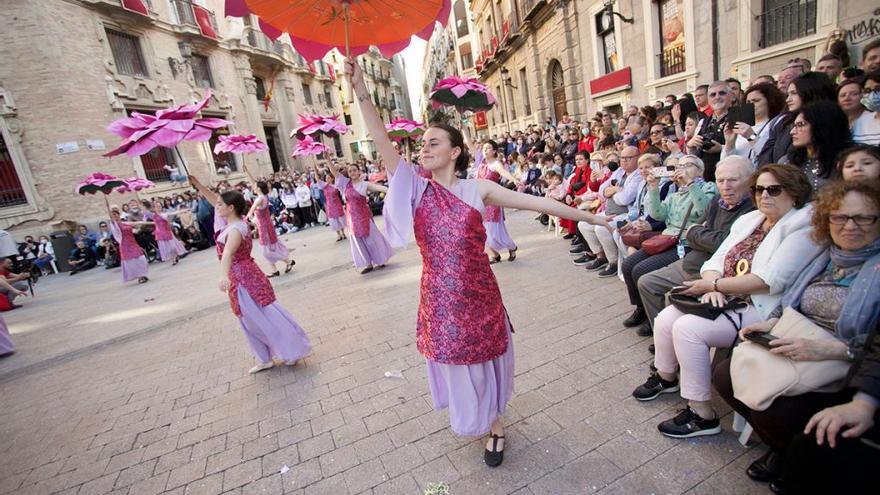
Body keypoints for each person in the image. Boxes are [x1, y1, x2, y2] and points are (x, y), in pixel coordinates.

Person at [347, 58, 611, 468]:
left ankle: (495, 424)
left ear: (455, 151)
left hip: (480, 290)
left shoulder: (478, 189)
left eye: (433, 142)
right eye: (423, 143)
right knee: (456, 358)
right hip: (439, 294)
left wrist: (589, 216)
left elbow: (536, 201)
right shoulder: (416, 190)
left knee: (486, 355)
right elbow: (382, 142)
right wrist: (361, 90)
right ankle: (478, 414)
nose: (424, 148)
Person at [632, 164, 822, 438]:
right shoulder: (751, 219)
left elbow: (769, 280)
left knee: (687, 329)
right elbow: (716, 258)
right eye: (759, 189)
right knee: (665, 318)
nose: (764, 195)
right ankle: (666, 377)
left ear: (794, 193)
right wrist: (714, 285)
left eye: (773, 189)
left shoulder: (802, 224)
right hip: (724, 294)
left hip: (761, 307)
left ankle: (702, 414)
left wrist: (715, 284)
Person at [713, 179, 880, 490]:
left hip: (847, 361)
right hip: (797, 342)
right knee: (724, 375)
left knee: (777, 411)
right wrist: (772, 322)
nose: (850, 226)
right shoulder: (828, 255)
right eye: (839, 217)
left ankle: (791, 454)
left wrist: (826, 349)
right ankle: (782, 447)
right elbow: (794, 296)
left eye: (864, 218)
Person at [637, 156, 755, 337]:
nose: (725, 186)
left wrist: (699, 233)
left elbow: (726, 244)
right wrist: (653, 188)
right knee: (645, 280)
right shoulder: (714, 199)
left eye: (732, 180)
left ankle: (673, 338)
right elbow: (663, 217)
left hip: (711, 269)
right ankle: (660, 334)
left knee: (668, 296)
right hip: (688, 254)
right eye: (721, 180)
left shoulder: (748, 207)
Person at [215, 190, 312, 374]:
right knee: (250, 319)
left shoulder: (236, 229)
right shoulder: (236, 224)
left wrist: (223, 275)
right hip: (242, 278)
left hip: (244, 279)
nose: (216, 206)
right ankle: (264, 358)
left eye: (220, 204)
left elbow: (227, 253)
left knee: (263, 316)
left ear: (231, 207)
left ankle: (291, 350)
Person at [620, 154, 717, 334]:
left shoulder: (708, 188)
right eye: (679, 166)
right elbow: (658, 214)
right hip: (667, 240)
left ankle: (656, 321)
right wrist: (654, 188)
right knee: (628, 264)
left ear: (701, 170)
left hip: (688, 243)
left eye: (688, 165)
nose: (682, 169)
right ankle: (642, 308)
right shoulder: (675, 193)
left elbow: (705, 211)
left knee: (641, 270)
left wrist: (690, 184)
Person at [781, 317, 880, 493]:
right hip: (802, 329)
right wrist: (866, 402)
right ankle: (779, 451)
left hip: (841, 348)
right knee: (812, 443)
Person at [579, 146, 645, 277]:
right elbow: (601, 191)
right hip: (609, 211)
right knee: (583, 224)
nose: (624, 161)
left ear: (637, 159)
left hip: (626, 214)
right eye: (622, 158)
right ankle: (600, 256)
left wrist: (611, 191)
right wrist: (615, 190)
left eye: (628, 158)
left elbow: (625, 199)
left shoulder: (638, 175)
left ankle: (613, 262)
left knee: (601, 228)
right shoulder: (620, 171)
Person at [326, 161, 394, 274]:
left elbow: (379, 188)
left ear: (359, 172)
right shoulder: (345, 184)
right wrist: (328, 159)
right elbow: (335, 173)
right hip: (352, 218)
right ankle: (367, 264)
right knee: (358, 241)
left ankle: (380, 260)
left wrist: (391, 190)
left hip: (364, 216)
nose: (352, 172)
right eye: (350, 171)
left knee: (373, 239)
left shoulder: (364, 184)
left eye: (354, 170)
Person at [758, 71, 835, 166]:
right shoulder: (782, 122)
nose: (788, 100)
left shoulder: (831, 121)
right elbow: (765, 155)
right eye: (788, 94)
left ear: (810, 92)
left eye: (794, 93)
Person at [786, 101, 853, 191]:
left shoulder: (849, 161)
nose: (792, 132)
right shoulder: (788, 161)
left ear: (822, 125)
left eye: (800, 125)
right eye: (794, 126)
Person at [721, 82, 786, 167]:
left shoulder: (776, 123)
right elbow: (726, 163)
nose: (751, 105)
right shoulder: (742, 125)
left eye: (756, 101)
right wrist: (730, 142)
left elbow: (770, 155)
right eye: (748, 102)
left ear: (770, 101)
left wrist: (751, 136)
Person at [475, 140, 520, 263]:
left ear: (494, 151)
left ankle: (512, 247)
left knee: (494, 232)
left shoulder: (495, 164)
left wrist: (514, 179)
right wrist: (464, 128)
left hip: (494, 202)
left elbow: (504, 172)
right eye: (484, 148)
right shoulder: (480, 163)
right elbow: (469, 145)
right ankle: (494, 255)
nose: (485, 150)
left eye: (488, 148)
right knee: (482, 231)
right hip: (481, 202)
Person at [244, 174, 295, 278]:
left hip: (264, 227)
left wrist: (247, 217)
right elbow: (254, 183)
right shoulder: (263, 196)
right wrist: (248, 172)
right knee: (268, 248)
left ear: (258, 188)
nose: (253, 187)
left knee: (266, 250)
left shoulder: (259, 199)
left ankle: (288, 261)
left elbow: (252, 208)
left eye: (255, 187)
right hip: (267, 225)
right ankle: (275, 269)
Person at [688, 80, 734, 181]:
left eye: (722, 93)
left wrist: (721, 148)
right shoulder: (703, 121)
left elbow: (748, 149)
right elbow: (695, 155)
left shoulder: (740, 116)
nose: (717, 97)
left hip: (730, 178)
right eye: (713, 95)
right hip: (706, 181)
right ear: (708, 100)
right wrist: (691, 145)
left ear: (731, 96)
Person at [106, 199, 152, 285]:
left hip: (133, 243)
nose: (115, 216)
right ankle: (140, 277)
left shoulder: (125, 222)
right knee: (132, 262)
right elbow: (111, 219)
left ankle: (142, 274)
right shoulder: (114, 225)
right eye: (113, 215)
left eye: (116, 214)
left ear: (119, 215)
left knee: (141, 259)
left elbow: (135, 229)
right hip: (125, 245)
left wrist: (140, 225)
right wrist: (108, 205)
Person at [147, 200, 187, 265]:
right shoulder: (153, 215)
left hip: (167, 231)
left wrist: (183, 210)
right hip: (160, 233)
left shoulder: (164, 214)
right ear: (154, 208)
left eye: (159, 206)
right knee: (167, 248)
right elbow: (146, 212)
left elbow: (174, 213)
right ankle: (174, 259)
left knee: (173, 246)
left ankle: (176, 255)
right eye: (157, 206)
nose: (158, 207)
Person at [316, 167, 347, 241]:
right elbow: (317, 179)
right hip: (330, 205)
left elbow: (340, 194)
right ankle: (338, 235)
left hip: (337, 204)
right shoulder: (324, 186)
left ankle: (343, 233)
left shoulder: (336, 186)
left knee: (340, 219)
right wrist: (315, 170)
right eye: (326, 178)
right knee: (334, 220)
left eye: (329, 178)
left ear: (332, 179)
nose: (327, 179)